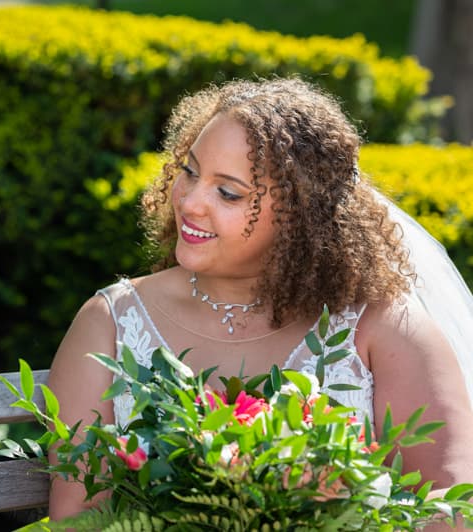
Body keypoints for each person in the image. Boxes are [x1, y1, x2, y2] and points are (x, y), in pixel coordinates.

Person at [47, 77, 473, 525]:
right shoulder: (110, 324)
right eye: (189, 172)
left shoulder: (382, 327)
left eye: (228, 193)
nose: (190, 202)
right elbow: (78, 515)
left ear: (300, 216)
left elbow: (455, 504)